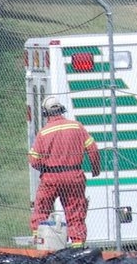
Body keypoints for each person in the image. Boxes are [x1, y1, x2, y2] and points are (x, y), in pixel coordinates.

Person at [28, 96, 101, 248]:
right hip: (74, 176)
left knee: (41, 209)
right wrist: (95, 169)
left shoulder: (43, 133)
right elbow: (93, 149)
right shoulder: (77, 127)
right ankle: (77, 248)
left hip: (50, 177)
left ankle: (39, 243)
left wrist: (45, 168)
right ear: (61, 109)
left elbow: (34, 160)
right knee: (75, 213)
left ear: (45, 113)